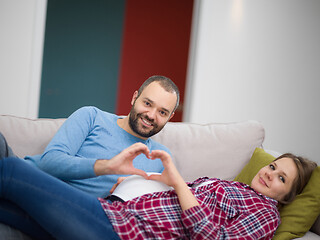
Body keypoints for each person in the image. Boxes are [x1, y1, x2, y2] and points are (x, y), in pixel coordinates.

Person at [0, 143, 317, 240]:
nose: (269, 173)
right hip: (118, 213)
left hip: (123, 233)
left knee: (11, 171)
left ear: (287, 197)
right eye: (273, 166)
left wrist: (178, 182)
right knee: (10, 211)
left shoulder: (265, 215)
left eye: (281, 178)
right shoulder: (234, 187)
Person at [0, 75, 180, 197]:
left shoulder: (160, 158)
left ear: (170, 117)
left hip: (61, 209)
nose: (151, 115)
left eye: (162, 112)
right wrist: (108, 166)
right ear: (135, 98)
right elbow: (49, 162)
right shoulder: (92, 117)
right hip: (24, 175)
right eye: (147, 103)